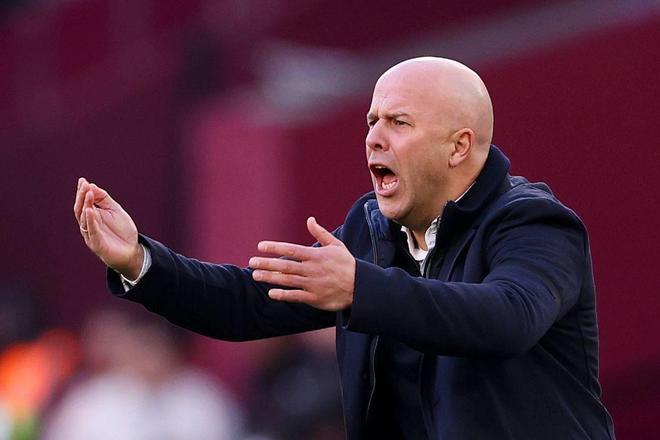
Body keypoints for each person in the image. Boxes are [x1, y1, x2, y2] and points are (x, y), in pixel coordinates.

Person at [74, 57, 615, 439]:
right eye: (371, 121)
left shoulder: (534, 223)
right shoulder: (371, 228)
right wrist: (139, 261)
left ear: (458, 146)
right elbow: (246, 304)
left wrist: (361, 289)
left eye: (398, 122)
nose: (374, 137)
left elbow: (507, 318)